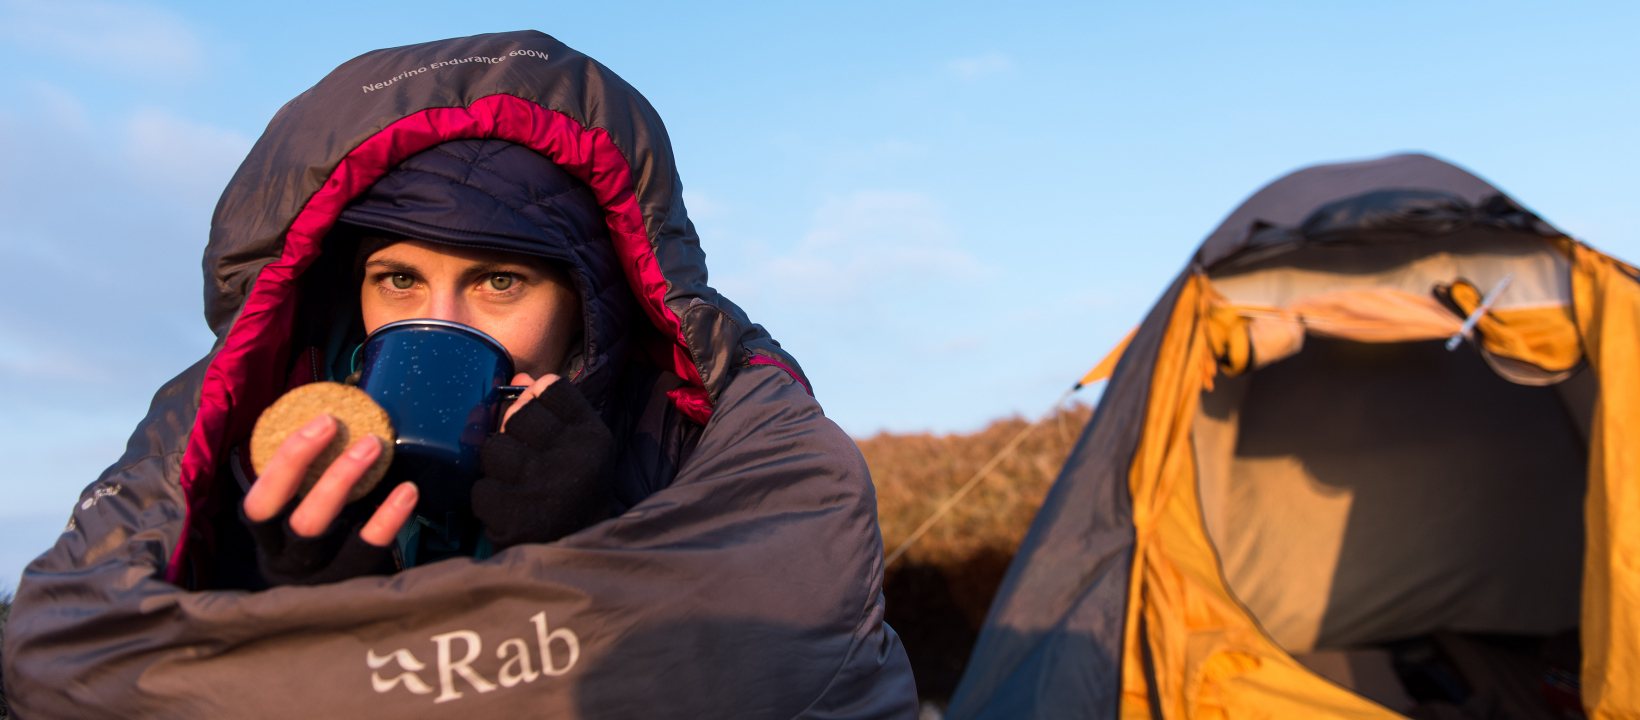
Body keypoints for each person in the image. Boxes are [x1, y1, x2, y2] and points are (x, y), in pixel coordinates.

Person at [1, 30, 917, 718]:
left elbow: (805, 650)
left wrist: (589, 544)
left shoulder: (688, 449)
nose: (438, 320)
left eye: (499, 281)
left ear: (589, 306)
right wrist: (290, 600)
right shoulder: (253, 456)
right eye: (398, 280)